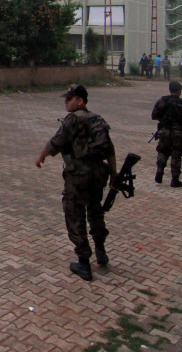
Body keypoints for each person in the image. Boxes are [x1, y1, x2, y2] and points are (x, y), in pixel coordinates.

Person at [36, 84, 117, 282]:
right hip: (98, 174)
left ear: (80, 101)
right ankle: (100, 250)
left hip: (78, 175)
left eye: (69, 99)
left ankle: (83, 263)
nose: (66, 102)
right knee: (95, 209)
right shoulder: (98, 119)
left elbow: (56, 141)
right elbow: (110, 150)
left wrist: (41, 156)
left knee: (74, 214)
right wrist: (114, 175)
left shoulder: (73, 119)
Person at [152, 81, 182, 187]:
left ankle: (159, 172)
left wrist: (164, 120)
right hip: (178, 133)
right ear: (178, 91)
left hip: (164, 132)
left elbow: (154, 115)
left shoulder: (162, 101)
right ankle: (174, 180)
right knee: (176, 155)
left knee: (163, 152)